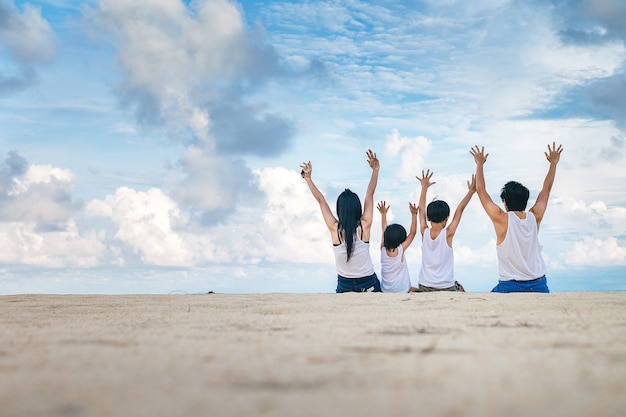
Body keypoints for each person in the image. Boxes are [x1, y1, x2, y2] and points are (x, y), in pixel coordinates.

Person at [470, 142, 564, 293]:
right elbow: (546, 189)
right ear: (526, 201)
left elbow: (480, 191)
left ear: (505, 202)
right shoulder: (535, 215)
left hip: (510, 286)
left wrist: (479, 163)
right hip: (538, 285)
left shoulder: (501, 218)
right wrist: (553, 163)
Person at [300, 150, 381, 293]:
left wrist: (308, 179)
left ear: (340, 209)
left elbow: (321, 200)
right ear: (357, 208)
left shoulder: (334, 228)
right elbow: (370, 193)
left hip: (345, 284)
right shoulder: (365, 224)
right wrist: (375, 170)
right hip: (368, 282)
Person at [416, 169, 476, 292]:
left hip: (424, 285)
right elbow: (460, 209)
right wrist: (471, 192)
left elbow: (421, 210)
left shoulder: (424, 231)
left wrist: (424, 188)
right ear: (447, 218)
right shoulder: (448, 233)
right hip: (445, 287)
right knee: (461, 289)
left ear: (428, 218)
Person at [377, 200, 419, 293]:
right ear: (401, 240)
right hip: (402, 290)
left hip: (385, 290)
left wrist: (383, 214)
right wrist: (414, 215)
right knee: (417, 290)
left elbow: (384, 229)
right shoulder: (400, 250)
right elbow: (412, 233)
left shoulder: (382, 249)